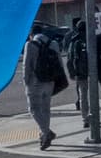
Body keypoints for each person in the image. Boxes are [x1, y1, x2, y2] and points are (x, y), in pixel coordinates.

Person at [22, 19, 65, 149]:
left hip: (35, 82)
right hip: (50, 81)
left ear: (31, 34)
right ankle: (44, 135)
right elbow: (59, 63)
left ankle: (46, 133)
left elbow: (26, 66)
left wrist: (26, 82)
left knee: (34, 109)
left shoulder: (30, 45)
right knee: (45, 109)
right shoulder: (53, 44)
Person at [65, 17, 90, 128]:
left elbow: (69, 59)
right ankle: (94, 116)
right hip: (93, 72)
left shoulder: (74, 41)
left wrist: (72, 73)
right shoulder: (92, 38)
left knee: (83, 96)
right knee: (93, 95)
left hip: (80, 73)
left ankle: (85, 118)